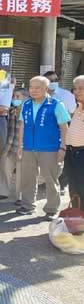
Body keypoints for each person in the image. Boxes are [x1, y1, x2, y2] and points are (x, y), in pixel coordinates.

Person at [16, 76, 70, 220]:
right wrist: (20, 144)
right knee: (28, 178)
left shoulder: (56, 104)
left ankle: (52, 209)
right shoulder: (26, 104)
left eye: (37, 88)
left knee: (51, 179)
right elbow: (22, 125)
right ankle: (27, 206)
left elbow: (64, 127)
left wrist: (63, 147)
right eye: (31, 87)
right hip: (28, 147)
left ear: (46, 89)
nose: (33, 90)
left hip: (49, 148)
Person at [0, 87, 28, 204]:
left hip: (23, 146)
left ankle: (21, 197)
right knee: (4, 169)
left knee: (22, 173)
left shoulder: (30, 111)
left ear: (26, 98)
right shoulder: (12, 110)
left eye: (18, 97)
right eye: (14, 96)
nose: (14, 99)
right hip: (9, 144)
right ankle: (2, 192)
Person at [65, 75, 84, 210]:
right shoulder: (78, 107)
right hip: (72, 153)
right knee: (74, 188)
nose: (76, 92)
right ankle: (77, 219)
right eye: (75, 88)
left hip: (82, 154)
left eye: (81, 88)